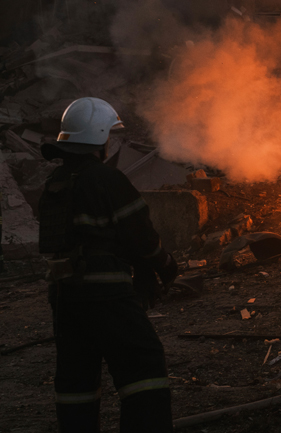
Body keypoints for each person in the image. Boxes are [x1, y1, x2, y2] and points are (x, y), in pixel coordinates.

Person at [38, 97, 177, 432]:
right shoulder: (107, 179)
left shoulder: (55, 184)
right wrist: (165, 266)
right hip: (107, 297)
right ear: (100, 137)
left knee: (76, 381)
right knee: (144, 369)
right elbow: (141, 236)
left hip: (65, 298)